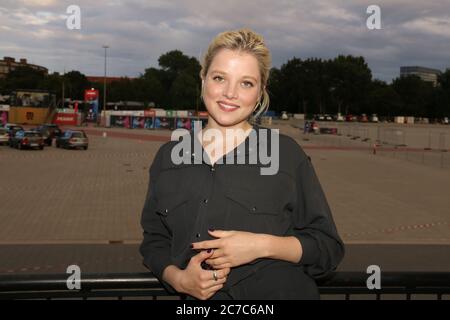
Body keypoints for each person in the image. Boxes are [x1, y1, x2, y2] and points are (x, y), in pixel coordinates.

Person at [140, 28, 344, 300]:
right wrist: (177, 279)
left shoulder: (286, 155)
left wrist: (261, 245)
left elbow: (327, 248)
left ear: (260, 92)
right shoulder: (168, 157)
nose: (230, 93)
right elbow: (154, 241)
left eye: (246, 83)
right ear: (203, 80)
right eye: (219, 78)